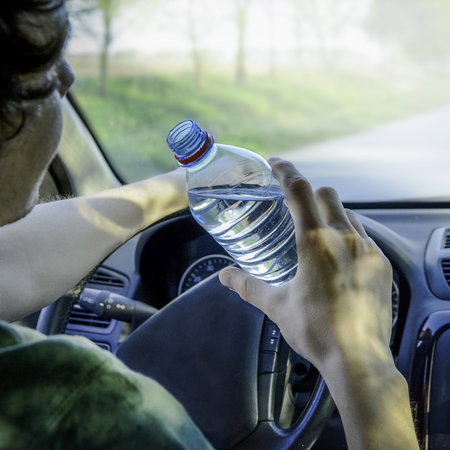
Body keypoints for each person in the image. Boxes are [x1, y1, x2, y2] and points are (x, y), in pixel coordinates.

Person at [0, 1, 419, 449]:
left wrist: (196, 182)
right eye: (45, 69)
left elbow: (12, 260)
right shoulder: (71, 405)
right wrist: (360, 361)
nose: (68, 79)